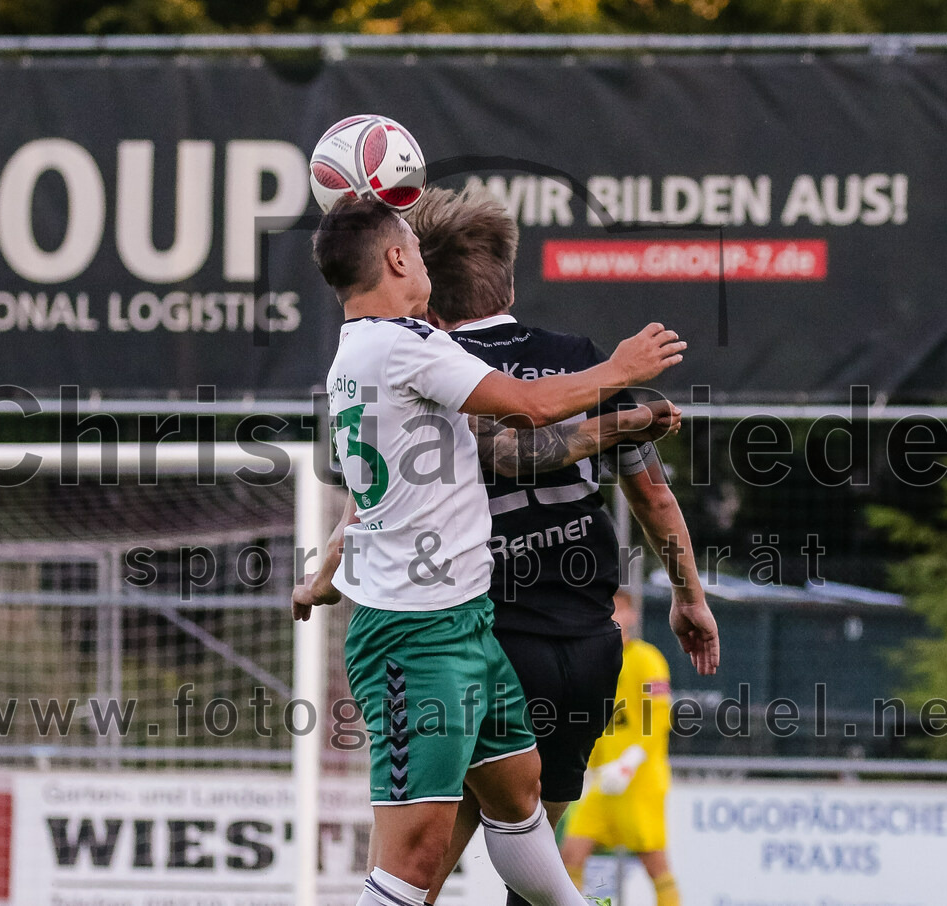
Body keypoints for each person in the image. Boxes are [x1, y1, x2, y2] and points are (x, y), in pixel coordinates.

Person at [292, 195, 687, 906]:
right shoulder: (408, 349)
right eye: (408, 245)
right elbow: (528, 419)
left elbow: (409, 476)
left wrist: (322, 571)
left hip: (468, 623)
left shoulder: (368, 355)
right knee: (415, 864)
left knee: (520, 798)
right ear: (395, 260)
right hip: (417, 635)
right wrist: (623, 374)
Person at [406, 185, 718, 905]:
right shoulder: (578, 360)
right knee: (537, 868)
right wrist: (689, 595)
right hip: (583, 646)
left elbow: (476, 463)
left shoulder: (430, 369)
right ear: (510, 279)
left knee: (419, 867)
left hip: (481, 641)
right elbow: (652, 494)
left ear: (425, 294)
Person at [561, 590, 680, 906]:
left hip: (640, 780)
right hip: (604, 780)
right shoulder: (594, 662)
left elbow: (659, 716)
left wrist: (631, 761)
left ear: (631, 616)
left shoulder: (647, 658)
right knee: (570, 854)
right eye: (606, 610)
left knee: (654, 862)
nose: (613, 616)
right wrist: (588, 770)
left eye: (619, 610)